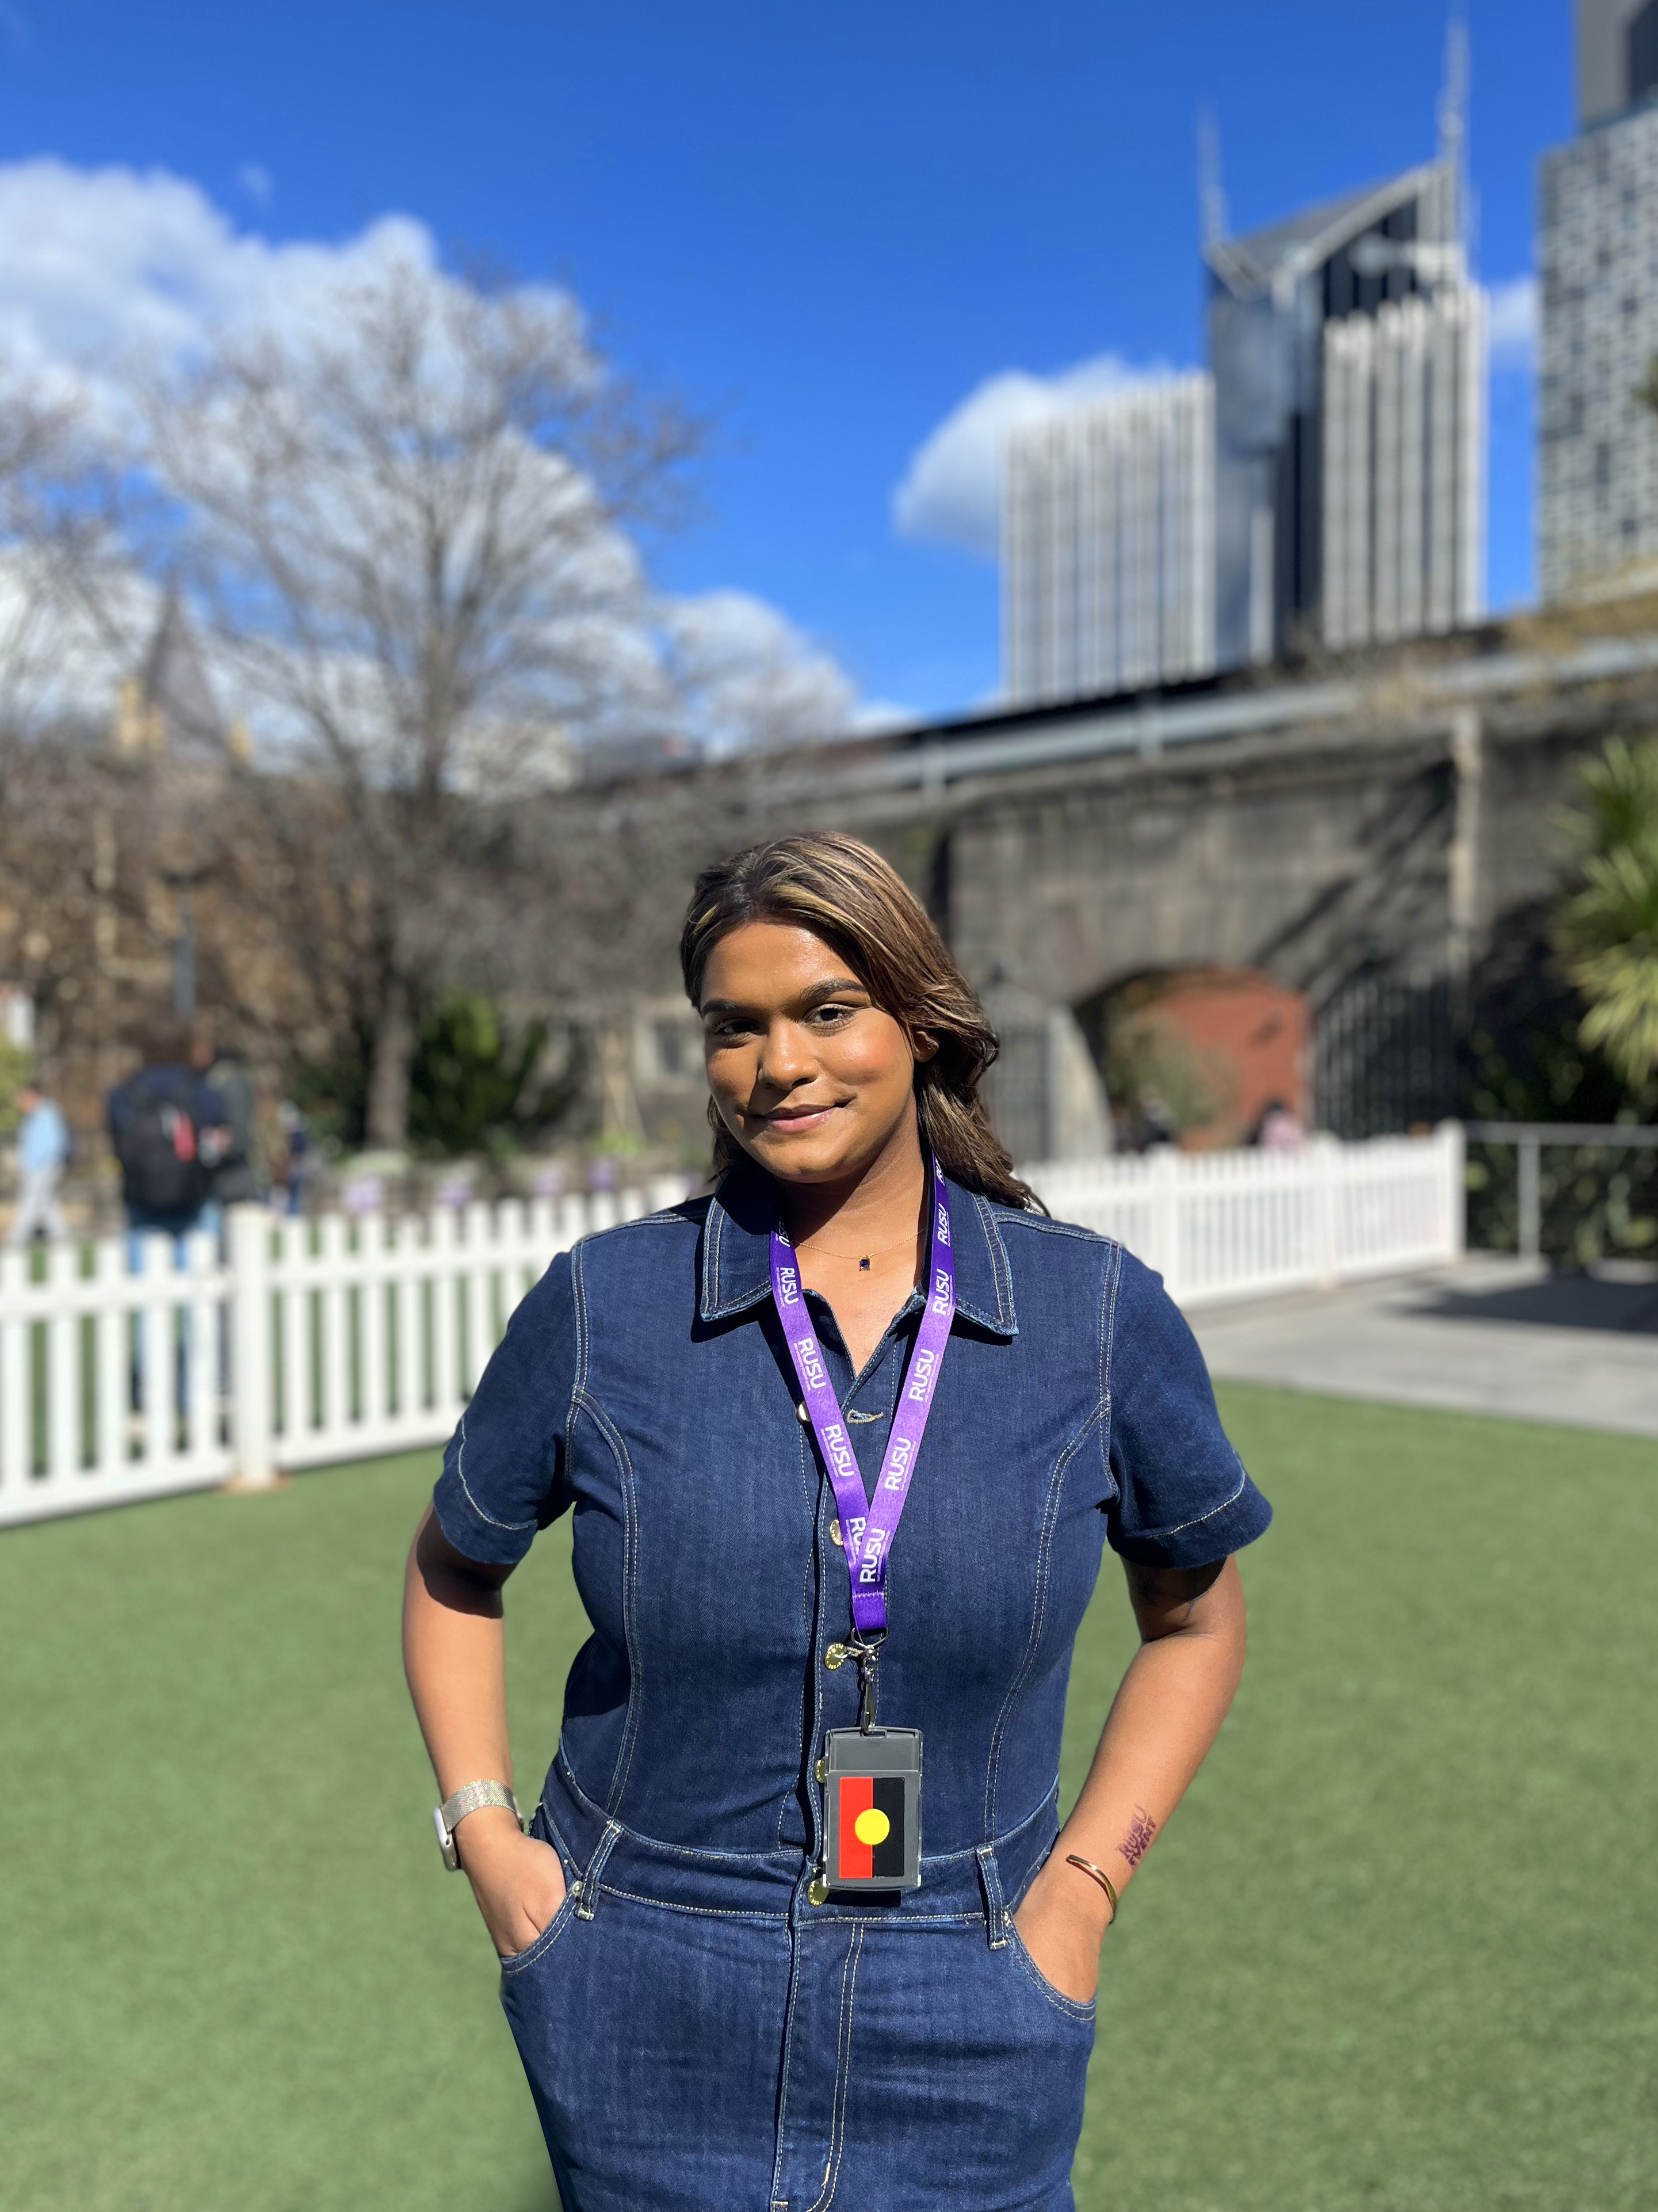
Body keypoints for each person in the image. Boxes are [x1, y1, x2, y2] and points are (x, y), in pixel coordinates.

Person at [403, 834, 1273, 2212]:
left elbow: (1195, 1622)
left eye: (825, 1010)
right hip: (643, 1984)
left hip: (972, 1984)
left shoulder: (1094, 1315)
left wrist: (1084, 1887)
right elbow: (455, 1567)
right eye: (733, 1026)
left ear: (917, 1021)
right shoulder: (604, 1304)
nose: (779, 1063)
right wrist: (487, 1838)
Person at [6, 1082, 70, 1245]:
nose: (21, 1103)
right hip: (36, 1167)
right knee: (48, 1203)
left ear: (33, 1096)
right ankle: (60, 1236)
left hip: (43, 1167)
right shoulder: (32, 1117)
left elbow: (54, 1144)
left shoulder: (47, 1114)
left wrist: (40, 1164)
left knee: (29, 1200)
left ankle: (16, 1238)